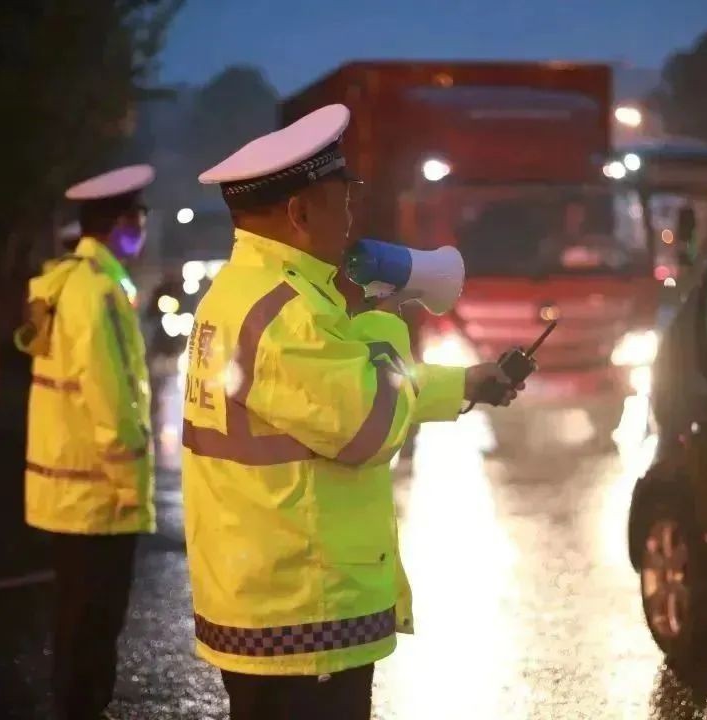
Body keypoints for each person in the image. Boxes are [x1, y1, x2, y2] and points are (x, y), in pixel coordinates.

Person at [181, 104, 520, 720]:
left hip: (268, 591)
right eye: (342, 200)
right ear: (299, 211)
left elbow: (336, 392)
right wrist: (384, 319)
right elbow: (369, 424)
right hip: (304, 609)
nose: (352, 216)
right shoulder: (287, 312)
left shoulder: (252, 293)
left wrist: (461, 384)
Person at [15, 165, 156, 720]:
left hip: (70, 491)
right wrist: (130, 487)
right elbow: (110, 401)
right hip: (98, 498)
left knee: (78, 627)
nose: (141, 230)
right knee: (92, 632)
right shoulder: (97, 293)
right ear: (120, 223)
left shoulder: (67, 282)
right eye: (139, 219)